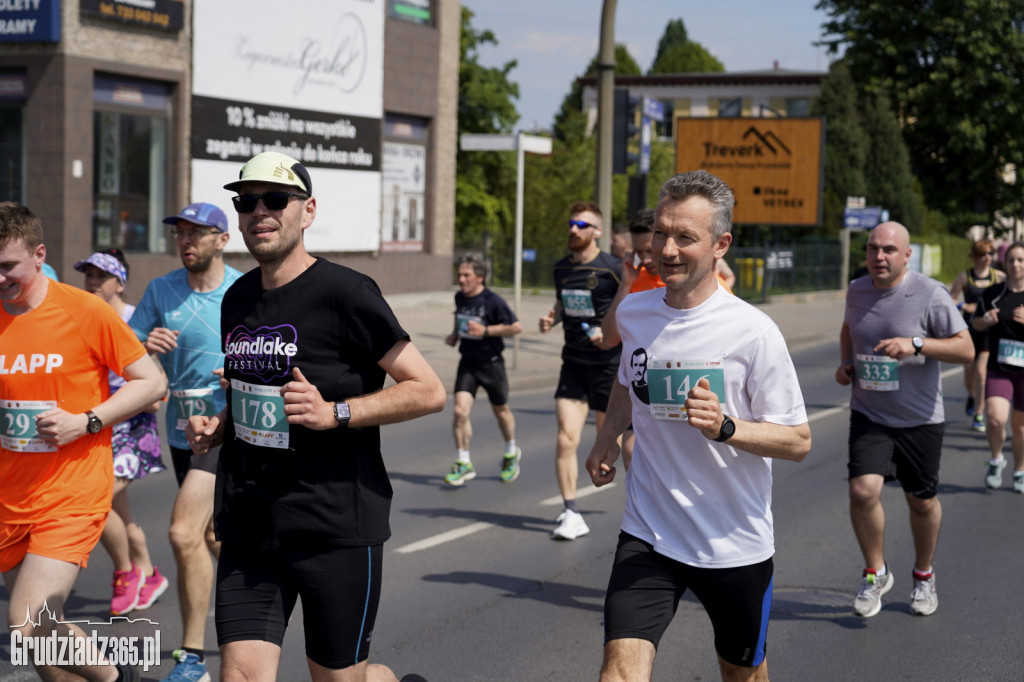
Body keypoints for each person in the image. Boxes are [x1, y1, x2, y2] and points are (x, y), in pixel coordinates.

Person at [186, 151, 446, 681]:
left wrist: (336, 412)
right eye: (246, 201)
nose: (259, 212)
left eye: (275, 200)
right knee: (238, 674)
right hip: (250, 524)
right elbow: (252, 393)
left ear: (307, 211)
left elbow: (428, 389)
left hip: (334, 526)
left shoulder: (346, 293)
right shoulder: (236, 299)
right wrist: (222, 424)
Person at [584, 170, 811, 682]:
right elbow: (628, 378)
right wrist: (606, 438)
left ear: (720, 245)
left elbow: (798, 441)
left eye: (685, 237)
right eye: (661, 232)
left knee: (742, 673)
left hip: (732, 543)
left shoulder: (754, 332)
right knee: (618, 671)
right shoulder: (637, 311)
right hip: (649, 532)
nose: (666, 248)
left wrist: (728, 427)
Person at [0, 202, 165, 681]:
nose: (0, 279)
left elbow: (150, 382)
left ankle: (120, 676)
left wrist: (87, 421)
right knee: (45, 650)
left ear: (39, 255)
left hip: (71, 491)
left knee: (26, 623)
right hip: (11, 496)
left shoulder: (83, 310)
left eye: (8, 266)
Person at [129, 202, 242, 682]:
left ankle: (191, 657)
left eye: (196, 232)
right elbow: (128, 353)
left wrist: (238, 371)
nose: (185, 240)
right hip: (180, 430)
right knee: (212, 535)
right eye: (179, 232)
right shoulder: (161, 289)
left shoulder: (243, 290)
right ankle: (262, 597)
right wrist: (146, 348)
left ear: (221, 239)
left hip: (224, 427)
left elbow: (272, 353)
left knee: (181, 532)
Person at [836, 221, 972, 619]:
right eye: (873, 249)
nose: (879, 257)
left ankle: (924, 574)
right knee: (863, 491)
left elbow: (965, 348)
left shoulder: (930, 293)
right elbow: (848, 330)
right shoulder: (857, 289)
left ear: (907, 255)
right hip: (869, 413)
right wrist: (846, 364)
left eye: (889, 250)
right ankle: (875, 571)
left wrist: (915, 344)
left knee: (921, 502)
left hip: (919, 419)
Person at [76, 249, 169, 616]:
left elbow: (155, 392)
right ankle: (148, 573)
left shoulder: (135, 319)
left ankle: (126, 572)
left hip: (131, 427)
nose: (93, 282)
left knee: (95, 500)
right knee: (122, 514)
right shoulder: (83, 318)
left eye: (101, 276)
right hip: (98, 428)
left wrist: (132, 393)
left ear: (120, 283)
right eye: (89, 275)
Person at [538, 201, 621, 541]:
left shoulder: (614, 269)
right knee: (565, 439)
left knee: (607, 445)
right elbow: (563, 300)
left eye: (582, 225)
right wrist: (552, 316)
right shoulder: (561, 269)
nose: (574, 229)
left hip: (608, 366)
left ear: (597, 232)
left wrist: (612, 331)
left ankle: (646, 509)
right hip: (573, 363)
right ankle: (571, 512)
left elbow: (631, 306)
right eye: (571, 223)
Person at [443, 254, 523, 486]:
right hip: (468, 363)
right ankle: (464, 461)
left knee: (501, 412)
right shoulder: (460, 297)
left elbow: (516, 326)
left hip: (492, 363)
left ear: (479, 277)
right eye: (459, 274)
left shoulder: (493, 301)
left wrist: (486, 331)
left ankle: (510, 452)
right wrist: (455, 334)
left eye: (466, 275)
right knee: (459, 411)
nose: (461, 279)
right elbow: (461, 318)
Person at [600, 208, 662, 471]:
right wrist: (626, 285)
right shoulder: (635, 278)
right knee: (631, 451)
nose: (645, 259)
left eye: (650, 250)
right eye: (639, 252)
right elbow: (609, 338)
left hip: (671, 380)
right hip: (639, 380)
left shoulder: (682, 281)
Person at [973, 241, 1024, 493]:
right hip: (999, 367)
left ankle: (1019, 470)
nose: (1015, 264)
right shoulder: (993, 293)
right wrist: (984, 319)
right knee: (994, 419)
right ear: (1005, 262)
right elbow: (976, 324)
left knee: (1020, 427)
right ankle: (996, 460)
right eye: (1012, 260)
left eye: (1021, 260)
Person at [950, 239, 1005, 431]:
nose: (987, 258)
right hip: (969, 329)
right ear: (973, 256)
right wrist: (963, 306)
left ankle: (978, 414)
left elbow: (1013, 290)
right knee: (969, 375)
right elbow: (950, 299)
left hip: (989, 330)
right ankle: (972, 396)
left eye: (990, 253)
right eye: (983, 254)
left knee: (982, 373)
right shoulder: (965, 277)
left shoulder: (998, 276)